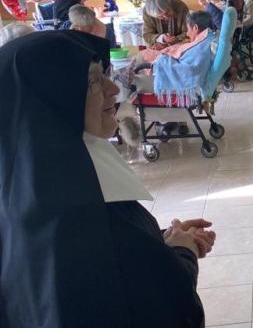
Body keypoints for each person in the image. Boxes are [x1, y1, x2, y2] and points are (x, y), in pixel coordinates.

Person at [0, 30, 215, 327]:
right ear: (54, 99)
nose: (113, 89)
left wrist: (158, 240)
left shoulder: (27, 194)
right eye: (93, 81)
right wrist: (183, 252)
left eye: (104, 75)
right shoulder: (75, 217)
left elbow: (120, 261)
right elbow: (164, 304)